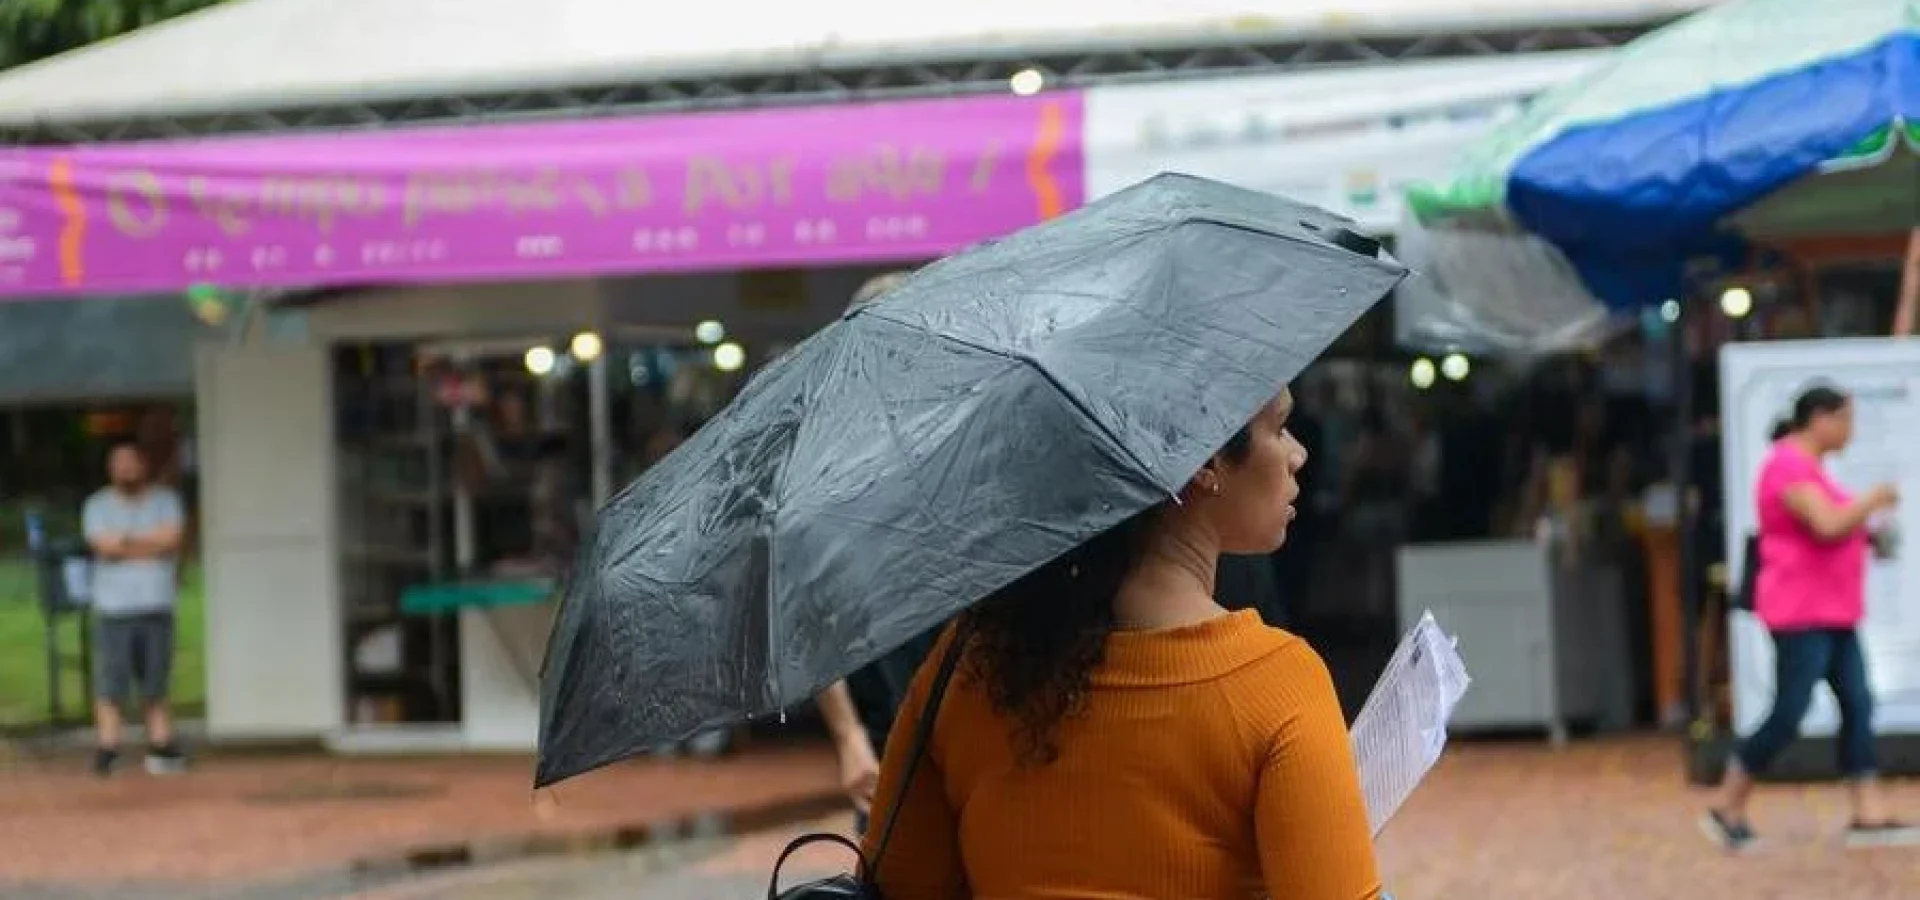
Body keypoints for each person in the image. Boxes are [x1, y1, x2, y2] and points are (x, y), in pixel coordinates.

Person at [862, 387, 1383, 899]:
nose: (1299, 453)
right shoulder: (1277, 683)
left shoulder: (968, 663)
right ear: (1204, 461)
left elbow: (899, 882)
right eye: (1278, 427)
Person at [1702, 385, 1916, 850]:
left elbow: (1837, 529)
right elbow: (1827, 524)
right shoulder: (1787, 467)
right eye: (1845, 420)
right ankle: (1728, 802)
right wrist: (1873, 501)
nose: (1850, 431)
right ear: (1818, 419)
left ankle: (1869, 811)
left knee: (1858, 703)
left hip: (1835, 610)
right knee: (1790, 711)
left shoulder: (1814, 469)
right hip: (1800, 612)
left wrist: (1870, 537)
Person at [82, 439, 189, 777]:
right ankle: (108, 747)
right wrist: (147, 543)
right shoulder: (96, 505)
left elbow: (171, 540)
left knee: (156, 680)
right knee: (111, 682)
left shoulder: (166, 501)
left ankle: (161, 745)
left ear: (144, 465)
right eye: (119, 463)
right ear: (110, 469)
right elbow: (103, 546)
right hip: (114, 609)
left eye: (132, 462)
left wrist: (125, 542)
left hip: (157, 604)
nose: (126, 469)